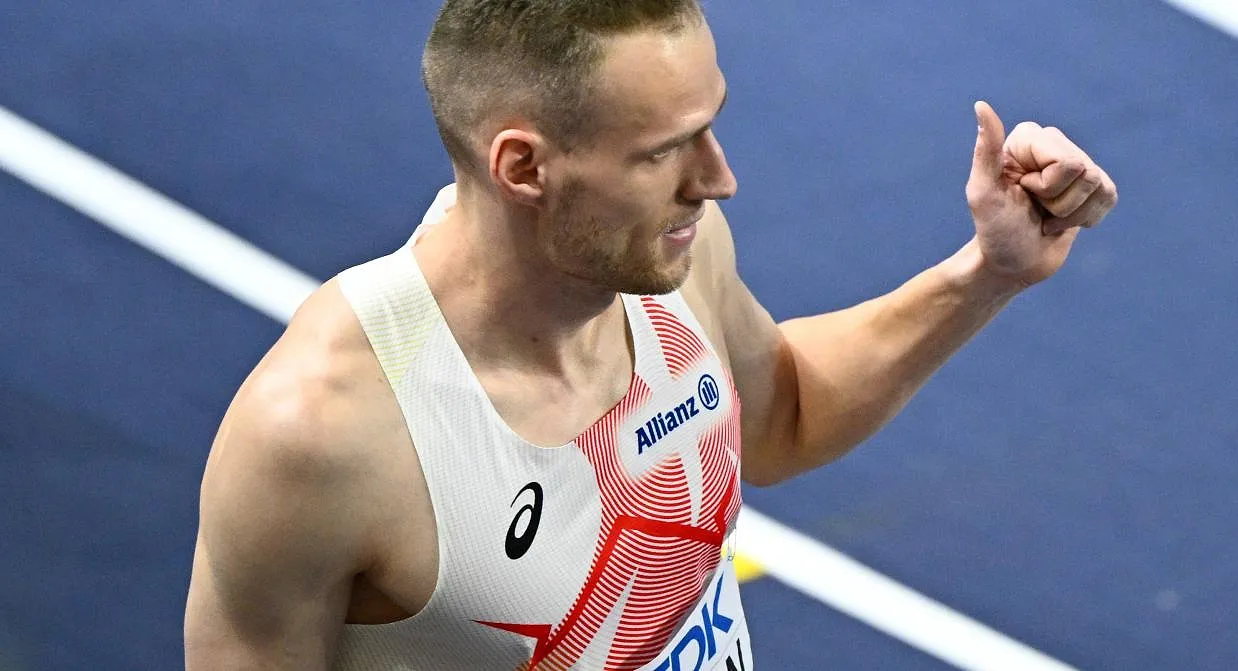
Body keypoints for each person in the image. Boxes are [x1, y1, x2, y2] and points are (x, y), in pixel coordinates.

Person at [182, 0, 1117, 668]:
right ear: (524, 167)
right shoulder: (321, 435)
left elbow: (779, 413)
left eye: (710, 127)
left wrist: (986, 273)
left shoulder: (673, 255)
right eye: (666, 149)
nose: (717, 179)